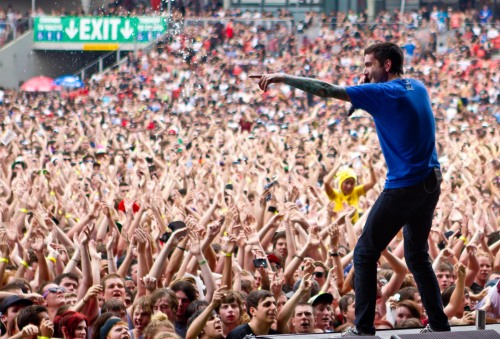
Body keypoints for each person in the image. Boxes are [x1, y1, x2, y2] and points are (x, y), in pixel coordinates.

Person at [250, 42, 450, 336]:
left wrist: (282, 77)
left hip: (404, 185)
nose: (365, 70)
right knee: (418, 256)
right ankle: (439, 324)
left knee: (365, 253)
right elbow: (381, 108)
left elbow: (326, 89)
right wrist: (361, 98)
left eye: (369, 64)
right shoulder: (416, 86)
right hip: (430, 182)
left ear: (387, 65)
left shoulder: (383, 92)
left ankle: (364, 328)